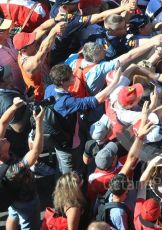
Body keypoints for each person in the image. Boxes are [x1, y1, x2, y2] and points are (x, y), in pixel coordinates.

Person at [43, 64, 122, 175]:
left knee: (61, 161)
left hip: (58, 138)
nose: (74, 78)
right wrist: (115, 82)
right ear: (62, 82)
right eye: (71, 77)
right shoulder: (66, 102)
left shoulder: (50, 89)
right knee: (69, 170)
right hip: (68, 144)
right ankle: (70, 186)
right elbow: (95, 100)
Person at [0, 98, 44, 230]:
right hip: (26, 200)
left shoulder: (2, 158)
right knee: (29, 224)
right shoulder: (13, 170)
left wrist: (14, 107)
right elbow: (36, 152)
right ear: (2, 153)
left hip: (12, 197)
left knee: (13, 215)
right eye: (1, 142)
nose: (3, 139)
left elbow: (3, 122)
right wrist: (39, 123)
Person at [13, 19, 67, 101]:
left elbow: (42, 28)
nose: (35, 41)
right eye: (31, 42)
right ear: (24, 50)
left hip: (50, 80)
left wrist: (56, 19)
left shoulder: (29, 46)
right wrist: (54, 31)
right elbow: (43, 51)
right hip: (42, 95)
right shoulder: (27, 64)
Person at [0, 65, 31, 157]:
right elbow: (18, 128)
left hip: (14, 141)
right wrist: (29, 106)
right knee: (26, 161)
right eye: (8, 75)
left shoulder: (7, 88)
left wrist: (25, 98)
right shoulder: (7, 101)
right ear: (2, 81)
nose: (11, 74)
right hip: (20, 142)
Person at [0, 16, 25, 92]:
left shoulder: (12, 38)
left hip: (28, 78)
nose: (9, 29)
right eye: (6, 29)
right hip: (15, 89)